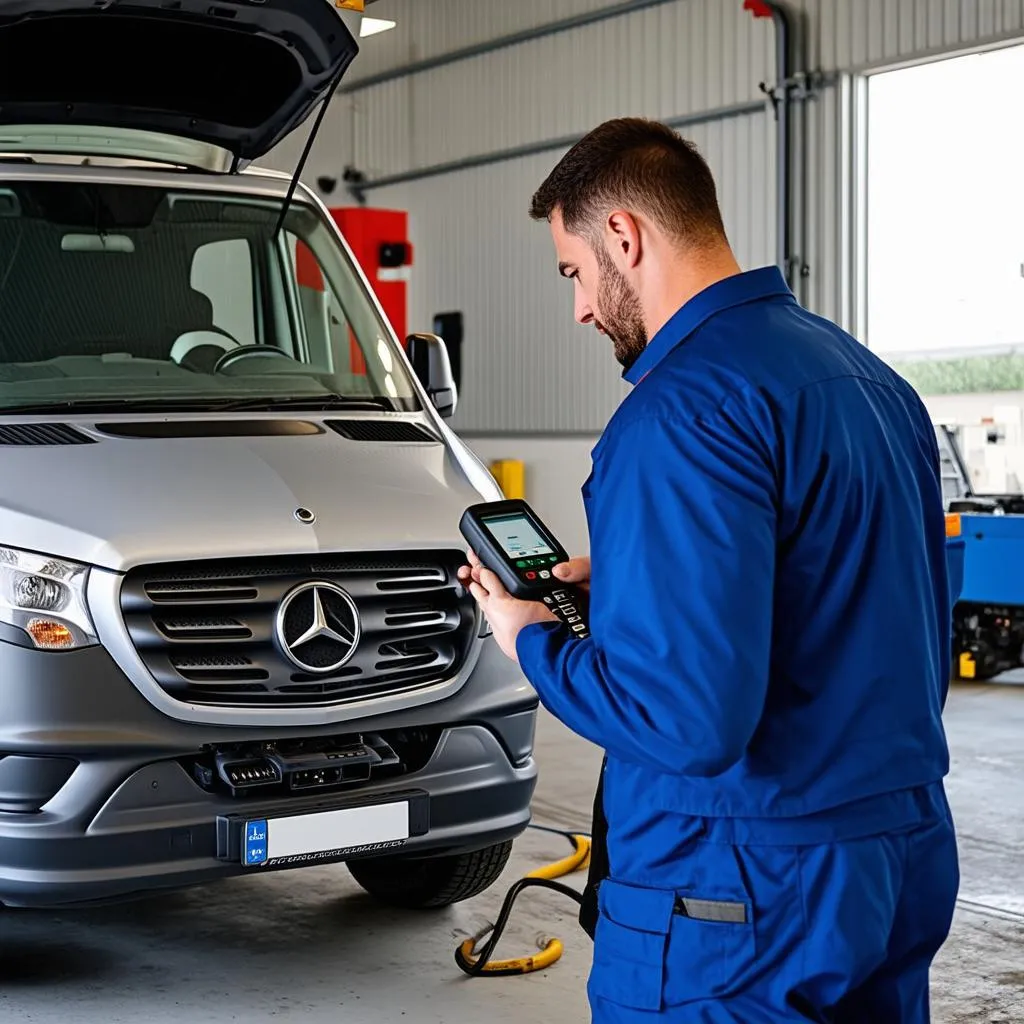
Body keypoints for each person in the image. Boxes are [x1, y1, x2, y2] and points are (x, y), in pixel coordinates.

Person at [458, 117, 960, 1023]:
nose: (578, 307)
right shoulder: (871, 383)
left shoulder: (680, 413)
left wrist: (532, 640)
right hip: (898, 851)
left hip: (738, 887)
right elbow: (855, 596)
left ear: (624, 235)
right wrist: (634, 588)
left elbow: (685, 722)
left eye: (572, 272)